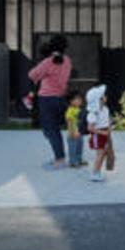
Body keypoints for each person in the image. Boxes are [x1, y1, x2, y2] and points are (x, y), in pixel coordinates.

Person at [27, 36, 73, 170]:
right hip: (60, 98)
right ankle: (59, 156)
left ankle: (60, 159)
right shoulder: (67, 60)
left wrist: (43, 72)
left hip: (46, 99)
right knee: (54, 130)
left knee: (50, 131)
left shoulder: (47, 62)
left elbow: (32, 75)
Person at [86, 83, 115, 183]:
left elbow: (107, 119)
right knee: (100, 154)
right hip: (98, 135)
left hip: (104, 133)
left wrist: (109, 125)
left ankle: (97, 172)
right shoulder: (93, 113)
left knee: (103, 153)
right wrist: (103, 133)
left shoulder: (105, 109)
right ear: (97, 100)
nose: (105, 97)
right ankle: (95, 173)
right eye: (102, 97)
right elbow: (90, 128)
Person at [64, 89, 86, 169]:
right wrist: (71, 132)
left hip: (79, 133)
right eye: (77, 99)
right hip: (72, 133)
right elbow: (69, 122)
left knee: (79, 147)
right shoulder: (70, 110)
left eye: (80, 99)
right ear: (71, 101)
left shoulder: (80, 110)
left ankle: (79, 159)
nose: (80, 101)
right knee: (72, 148)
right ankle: (72, 162)